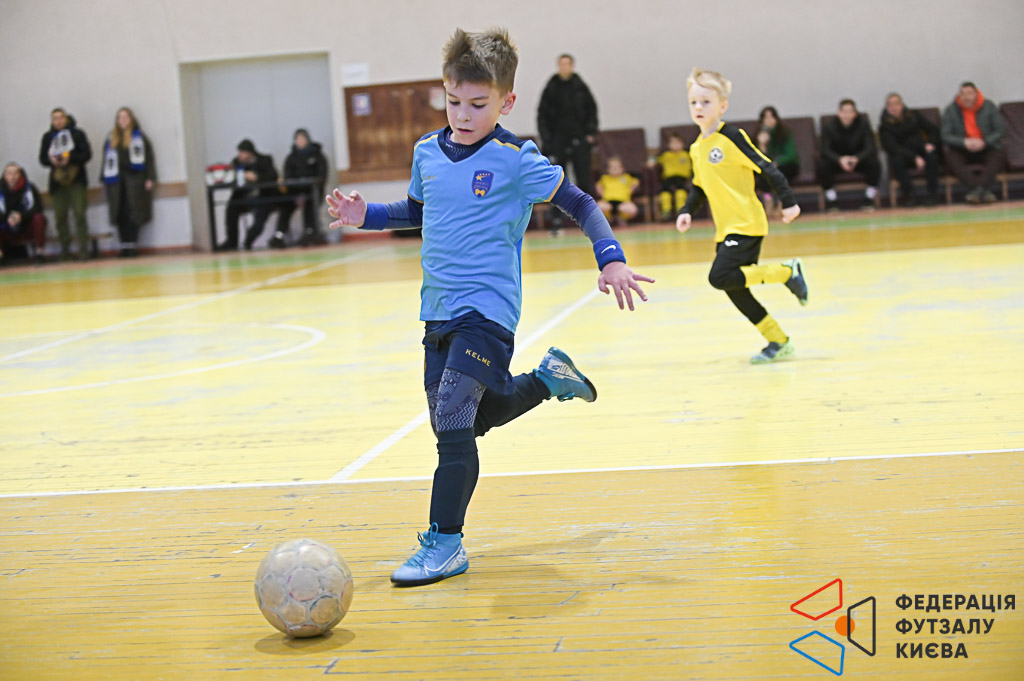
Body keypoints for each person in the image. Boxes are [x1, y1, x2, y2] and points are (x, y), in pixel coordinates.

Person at [325, 28, 653, 587]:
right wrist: (367, 216)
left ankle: (445, 544)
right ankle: (547, 380)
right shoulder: (427, 151)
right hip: (438, 311)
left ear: (507, 101)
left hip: (488, 311)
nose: (463, 114)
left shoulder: (515, 159)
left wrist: (611, 258)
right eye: (454, 101)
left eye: (478, 104)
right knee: (465, 423)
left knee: (453, 426)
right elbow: (418, 210)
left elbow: (580, 202)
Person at [675, 68, 807, 364]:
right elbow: (699, 186)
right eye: (693, 102)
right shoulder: (696, 148)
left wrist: (788, 201)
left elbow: (767, 167)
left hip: (747, 223)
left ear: (722, 106)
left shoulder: (732, 137)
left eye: (706, 102)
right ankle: (778, 341)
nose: (698, 107)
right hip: (726, 229)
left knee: (719, 277)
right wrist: (686, 211)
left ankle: (787, 272)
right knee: (735, 289)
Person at [537, 53, 598, 231]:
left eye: (567, 64)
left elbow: (592, 110)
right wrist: (547, 141)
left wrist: (590, 134)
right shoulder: (551, 88)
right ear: (558, 66)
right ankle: (556, 219)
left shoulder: (580, 87)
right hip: (557, 141)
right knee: (557, 180)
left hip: (579, 139)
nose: (564, 67)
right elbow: (542, 115)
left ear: (572, 66)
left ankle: (589, 218)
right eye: (561, 64)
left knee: (584, 179)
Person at [39, 108, 92, 260]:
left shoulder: (77, 134)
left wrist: (71, 158)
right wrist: (52, 161)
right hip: (57, 181)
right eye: (55, 118)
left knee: (79, 214)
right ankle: (65, 250)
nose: (58, 121)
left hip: (76, 179)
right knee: (60, 216)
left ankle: (83, 250)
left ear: (66, 118)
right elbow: (42, 159)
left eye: (61, 118)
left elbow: (87, 154)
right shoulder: (48, 137)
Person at [102, 107, 156, 257]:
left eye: (126, 117)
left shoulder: (140, 138)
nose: (123, 120)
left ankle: (132, 245)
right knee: (120, 213)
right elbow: (106, 161)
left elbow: (149, 159)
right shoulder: (111, 138)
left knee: (134, 212)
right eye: (120, 117)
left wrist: (150, 178)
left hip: (135, 180)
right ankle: (124, 245)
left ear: (131, 119)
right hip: (116, 183)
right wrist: (104, 179)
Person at [941, 81, 1006, 204]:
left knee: (998, 154)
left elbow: (1000, 130)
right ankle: (981, 191)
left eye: (969, 93)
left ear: (976, 94)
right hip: (962, 148)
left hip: (986, 146)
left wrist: (985, 142)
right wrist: (963, 142)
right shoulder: (951, 110)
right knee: (951, 157)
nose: (966, 97)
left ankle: (976, 192)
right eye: (963, 94)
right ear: (959, 95)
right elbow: (945, 135)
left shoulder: (989, 106)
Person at [878, 93, 942, 207]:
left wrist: (931, 143)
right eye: (890, 105)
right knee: (897, 161)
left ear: (902, 105)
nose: (894, 107)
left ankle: (932, 195)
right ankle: (910, 196)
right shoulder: (884, 125)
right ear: (887, 108)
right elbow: (892, 147)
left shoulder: (914, 116)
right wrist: (914, 157)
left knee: (932, 157)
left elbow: (933, 130)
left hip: (921, 150)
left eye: (896, 104)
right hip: (903, 155)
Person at [819, 99, 881, 211]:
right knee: (823, 165)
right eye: (844, 111)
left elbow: (870, 147)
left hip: (858, 160)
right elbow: (825, 149)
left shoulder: (863, 124)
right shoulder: (829, 126)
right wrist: (839, 159)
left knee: (874, 163)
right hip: (838, 162)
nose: (846, 115)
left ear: (855, 114)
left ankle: (869, 199)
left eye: (850, 112)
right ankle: (832, 201)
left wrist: (857, 158)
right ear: (839, 113)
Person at [218, 139, 280, 251]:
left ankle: (248, 241)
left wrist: (256, 177)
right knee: (231, 209)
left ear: (250, 153)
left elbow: (273, 176)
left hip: (263, 197)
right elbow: (230, 179)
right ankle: (231, 241)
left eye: (242, 152)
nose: (240, 155)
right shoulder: (236, 163)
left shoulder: (265, 160)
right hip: (244, 197)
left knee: (260, 218)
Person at [271, 128, 328, 249]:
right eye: (298, 139)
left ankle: (310, 232)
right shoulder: (291, 158)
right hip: (294, 192)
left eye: (302, 139)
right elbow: (287, 177)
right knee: (285, 205)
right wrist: (295, 191)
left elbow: (322, 176)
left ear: (307, 140)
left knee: (310, 204)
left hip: (312, 192)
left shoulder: (318, 156)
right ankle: (279, 235)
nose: (300, 141)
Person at [755, 106, 799, 217]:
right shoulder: (758, 135)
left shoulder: (784, 132)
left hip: (785, 165)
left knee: (780, 172)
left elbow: (791, 154)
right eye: (766, 118)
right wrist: (762, 145)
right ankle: (768, 201)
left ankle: (782, 202)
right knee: (763, 172)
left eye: (771, 117)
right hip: (768, 166)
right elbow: (756, 157)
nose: (769, 120)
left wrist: (777, 162)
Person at [0, 163, 47, 265]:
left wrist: (21, 216)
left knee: (39, 218)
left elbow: (38, 208)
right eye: (9, 173)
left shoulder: (29, 188)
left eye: (15, 173)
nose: (12, 177)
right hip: (5, 228)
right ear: (4, 175)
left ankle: (40, 253)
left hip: (26, 226)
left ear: (20, 174)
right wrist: (8, 218)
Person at [650, 132, 691, 221]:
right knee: (665, 193)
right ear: (669, 145)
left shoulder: (686, 154)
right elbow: (655, 160)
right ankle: (666, 211)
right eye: (673, 143)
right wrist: (651, 161)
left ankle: (681, 211)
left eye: (677, 142)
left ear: (682, 144)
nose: (675, 145)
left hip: (681, 178)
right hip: (668, 178)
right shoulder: (666, 155)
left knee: (681, 192)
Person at [595, 156, 639, 225]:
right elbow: (598, 185)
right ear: (608, 169)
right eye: (612, 167)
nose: (615, 169)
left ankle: (621, 218)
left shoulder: (626, 177)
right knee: (598, 207)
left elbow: (636, 182)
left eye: (617, 167)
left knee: (632, 209)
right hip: (607, 202)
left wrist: (630, 190)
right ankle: (608, 219)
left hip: (623, 202)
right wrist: (602, 193)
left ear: (622, 168)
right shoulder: (605, 178)